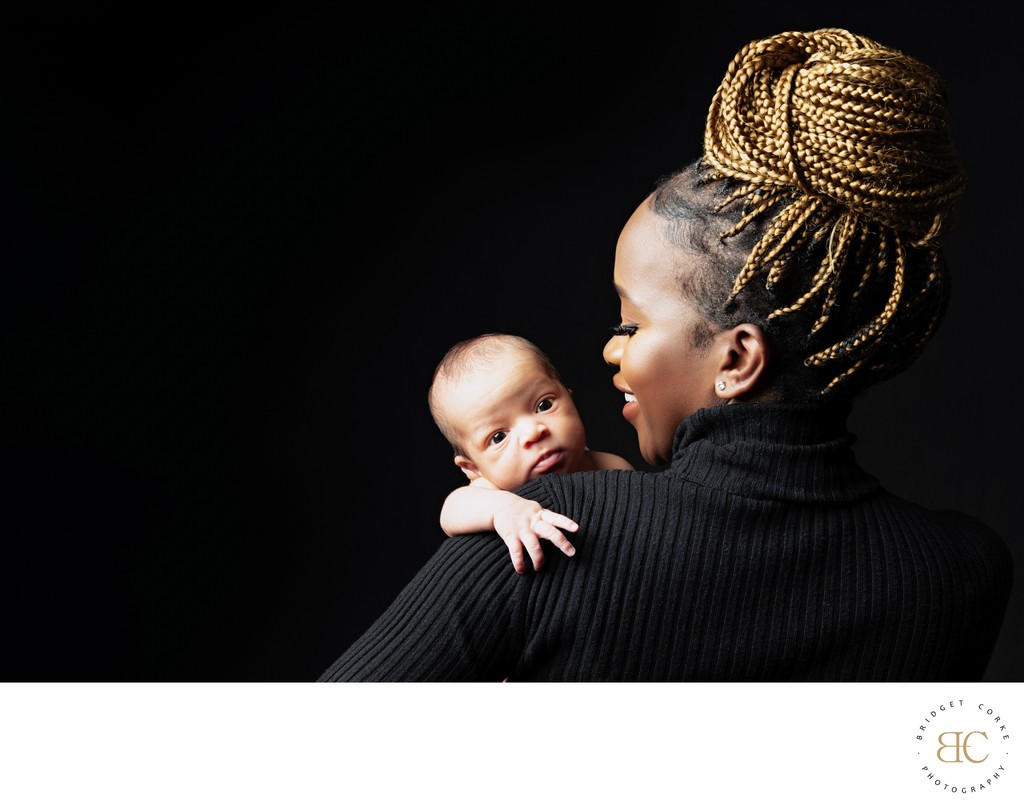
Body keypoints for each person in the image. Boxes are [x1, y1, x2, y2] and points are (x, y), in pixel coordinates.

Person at [320, 27, 1013, 682]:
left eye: (632, 322)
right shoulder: (961, 574)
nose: (609, 350)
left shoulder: (543, 535)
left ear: (738, 360)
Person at [428, 333, 633, 574]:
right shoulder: (494, 492)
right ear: (473, 468)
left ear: (569, 397)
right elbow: (451, 512)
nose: (532, 433)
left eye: (544, 405)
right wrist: (504, 510)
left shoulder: (609, 466)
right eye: (498, 437)